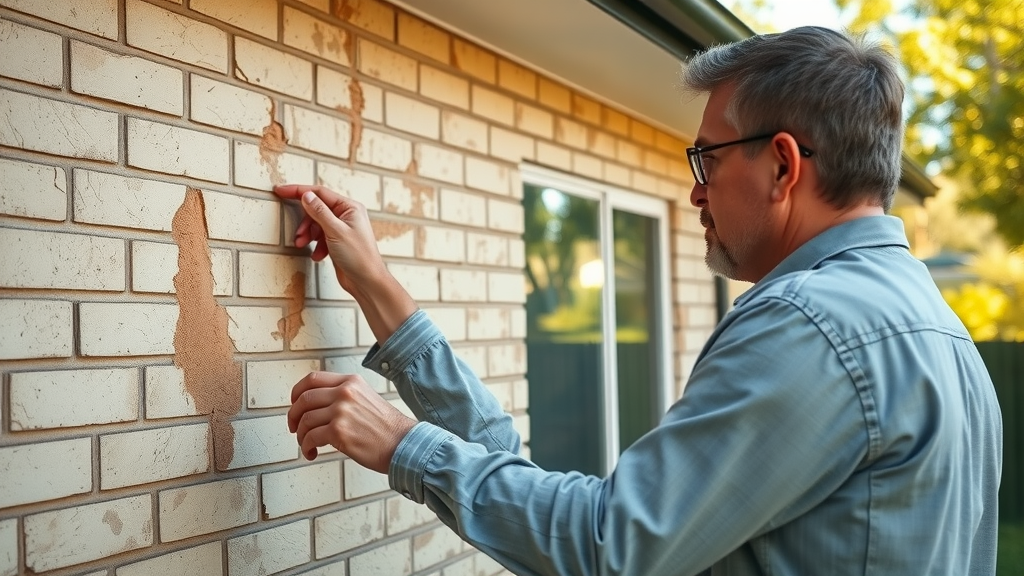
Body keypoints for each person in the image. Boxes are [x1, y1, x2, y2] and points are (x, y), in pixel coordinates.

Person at [273, 26, 1002, 576]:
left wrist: (404, 445)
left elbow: (609, 546)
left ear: (781, 165)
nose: (695, 190)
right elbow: (572, 507)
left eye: (707, 159)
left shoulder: (810, 325)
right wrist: (377, 288)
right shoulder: (936, 331)